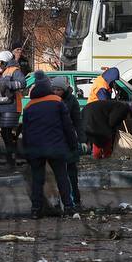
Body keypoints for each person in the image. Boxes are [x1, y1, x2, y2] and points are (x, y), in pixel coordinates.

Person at [21, 72, 77, 219]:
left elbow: (25, 132)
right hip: (56, 147)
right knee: (62, 177)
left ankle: (35, 210)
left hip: (36, 149)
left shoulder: (29, 106)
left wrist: (26, 151)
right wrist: (73, 145)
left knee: (37, 180)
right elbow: (68, 126)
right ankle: (69, 207)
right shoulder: (57, 102)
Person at [54, 75, 85, 210]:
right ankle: (61, 201)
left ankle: (76, 200)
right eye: (53, 89)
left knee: (71, 171)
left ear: (64, 89)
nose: (56, 92)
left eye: (58, 89)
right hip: (55, 139)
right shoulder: (52, 100)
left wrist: (82, 140)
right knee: (59, 173)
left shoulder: (72, 100)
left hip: (69, 139)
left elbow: (78, 122)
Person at [0, 50, 24, 166]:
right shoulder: (0, 72)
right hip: (2, 105)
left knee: (8, 133)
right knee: (4, 133)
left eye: (1, 62)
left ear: (6, 62)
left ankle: (11, 158)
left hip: (12, 105)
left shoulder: (14, 71)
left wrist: (8, 85)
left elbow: (22, 83)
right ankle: (10, 157)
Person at [82, 86, 132, 159]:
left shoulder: (118, 105)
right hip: (94, 118)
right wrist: (115, 128)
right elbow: (112, 121)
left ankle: (99, 157)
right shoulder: (122, 108)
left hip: (87, 114)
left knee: (98, 138)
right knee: (103, 136)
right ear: (129, 113)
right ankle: (104, 157)